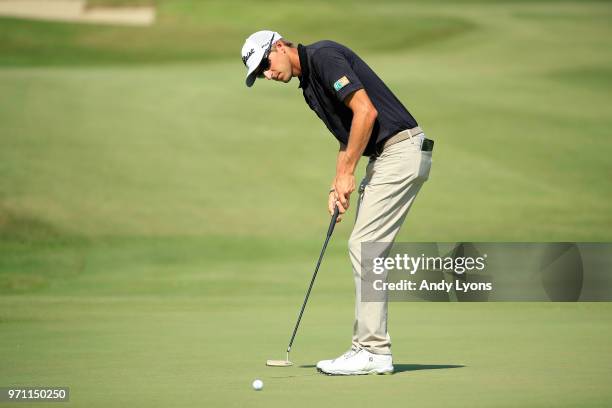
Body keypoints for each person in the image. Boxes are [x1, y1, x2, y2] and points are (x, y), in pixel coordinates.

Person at [241, 30, 433, 375]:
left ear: (280, 46)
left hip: (399, 151)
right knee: (366, 248)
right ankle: (369, 348)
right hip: (386, 157)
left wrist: (348, 173)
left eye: (266, 64)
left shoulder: (324, 56)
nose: (268, 74)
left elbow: (366, 112)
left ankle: (373, 351)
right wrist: (337, 181)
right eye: (260, 74)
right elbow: (348, 138)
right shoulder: (309, 86)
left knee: (365, 248)